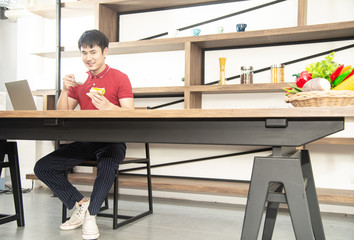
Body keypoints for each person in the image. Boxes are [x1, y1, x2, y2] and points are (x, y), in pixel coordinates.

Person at [34, 29, 134, 240]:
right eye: (83, 53)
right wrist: (64, 90)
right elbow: (63, 114)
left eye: (93, 52)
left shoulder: (120, 77)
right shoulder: (80, 81)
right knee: (43, 167)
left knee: (107, 166)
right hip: (86, 141)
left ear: (105, 51)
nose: (88, 58)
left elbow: (131, 113)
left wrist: (109, 107)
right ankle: (81, 204)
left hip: (113, 141)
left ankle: (92, 216)